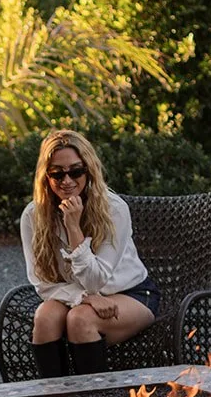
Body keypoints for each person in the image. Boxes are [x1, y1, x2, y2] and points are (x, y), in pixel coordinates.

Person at [20, 129, 160, 378]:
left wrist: (73, 227)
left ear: (89, 170)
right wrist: (85, 297)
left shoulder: (114, 209)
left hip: (130, 294)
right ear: (45, 176)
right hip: (75, 297)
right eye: (57, 173)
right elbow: (41, 283)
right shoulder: (33, 216)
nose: (67, 180)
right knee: (44, 317)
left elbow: (96, 280)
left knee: (80, 320)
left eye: (75, 171)